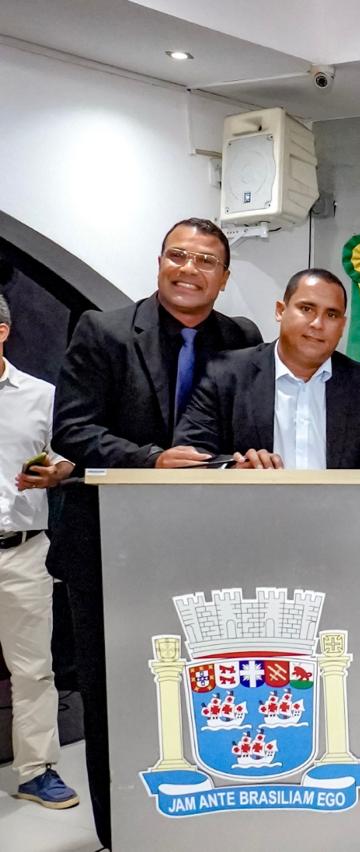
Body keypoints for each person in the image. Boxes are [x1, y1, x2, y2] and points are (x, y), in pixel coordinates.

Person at [50, 218, 262, 847]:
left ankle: (201, 824)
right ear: (160, 262)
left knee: (206, 689)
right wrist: (150, 460)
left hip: (209, 550)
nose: (189, 270)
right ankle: (118, 834)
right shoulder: (104, 330)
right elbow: (72, 429)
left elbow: (249, 422)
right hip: (110, 549)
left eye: (205, 261)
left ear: (223, 278)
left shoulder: (242, 338)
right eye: (178, 256)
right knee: (115, 695)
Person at [172, 268, 360, 503]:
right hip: (248, 523)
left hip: (337, 530)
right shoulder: (226, 373)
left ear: (342, 325)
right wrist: (233, 470)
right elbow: (190, 452)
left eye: (332, 315)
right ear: (280, 311)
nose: (317, 324)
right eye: (306, 309)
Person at [0, 294, 78, 810]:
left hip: (22, 549)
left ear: (2, 331)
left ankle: (36, 771)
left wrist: (57, 471)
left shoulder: (41, 396)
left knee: (32, 669)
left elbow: (68, 456)